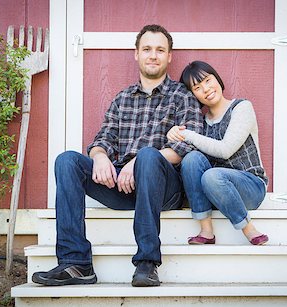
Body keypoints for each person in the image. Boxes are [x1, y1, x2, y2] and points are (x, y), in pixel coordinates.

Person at [32, 25, 203, 287]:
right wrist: (99, 156)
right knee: (67, 161)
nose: (153, 55)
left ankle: (147, 262)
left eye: (160, 50)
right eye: (147, 49)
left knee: (147, 156)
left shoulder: (182, 97)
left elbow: (186, 148)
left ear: (169, 56)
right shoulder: (123, 98)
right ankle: (76, 263)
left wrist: (137, 162)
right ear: (136, 54)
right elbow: (103, 140)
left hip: (164, 189)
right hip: (123, 186)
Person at [167, 60, 269, 246]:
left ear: (217, 78)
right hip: (214, 191)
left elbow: (225, 150)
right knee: (191, 159)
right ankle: (206, 231)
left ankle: (249, 229)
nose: (205, 89)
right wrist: (172, 133)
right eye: (197, 87)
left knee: (212, 175)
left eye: (207, 80)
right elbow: (188, 152)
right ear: (193, 95)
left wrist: (188, 134)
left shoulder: (241, 108)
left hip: (251, 187)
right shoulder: (200, 122)